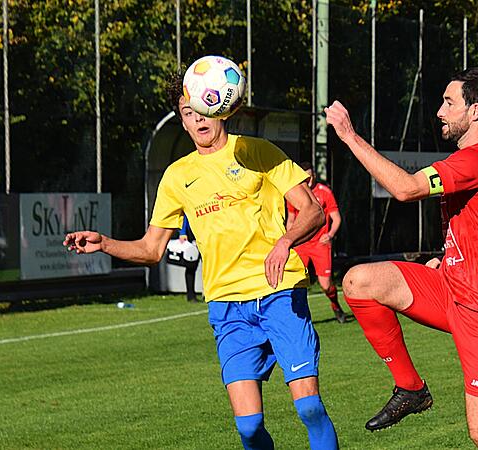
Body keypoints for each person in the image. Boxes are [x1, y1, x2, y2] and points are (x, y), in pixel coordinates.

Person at [63, 72, 338, 450]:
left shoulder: (258, 151)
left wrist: (285, 241)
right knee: (249, 427)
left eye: (203, 110)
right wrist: (105, 243)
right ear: (182, 119)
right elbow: (152, 249)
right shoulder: (177, 176)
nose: (198, 119)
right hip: (227, 306)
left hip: (279, 292)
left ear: (220, 108)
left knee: (308, 408)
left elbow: (313, 211)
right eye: (188, 113)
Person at [325, 67, 478, 449]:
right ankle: (411, 388)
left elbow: (405, 189)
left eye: (449, 103)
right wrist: (452, 258)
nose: (440, 111)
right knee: (359, 281)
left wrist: (350, 136)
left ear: (475, 112)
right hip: (454, 288)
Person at [286, 161, 347, 323]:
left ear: (314, 175)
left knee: (325, 285)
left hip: (320, 244)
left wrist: (330, 234)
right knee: (296, 282)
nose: (309, 180)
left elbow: (336, 218)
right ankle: (297, 319)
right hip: (301, 244)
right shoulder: (295, 193)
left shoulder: (324, 192)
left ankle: (335, 305)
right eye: (305, 177)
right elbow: (291, 220)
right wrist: (288, 240)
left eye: (311, 176)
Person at [177, 214, 199, 302]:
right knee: (191, 265)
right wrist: (182, 232)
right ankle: (191, 295)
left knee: (209, 266)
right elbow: (184, 214)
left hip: (206, 233)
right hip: (191, 235)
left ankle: (208, 294)